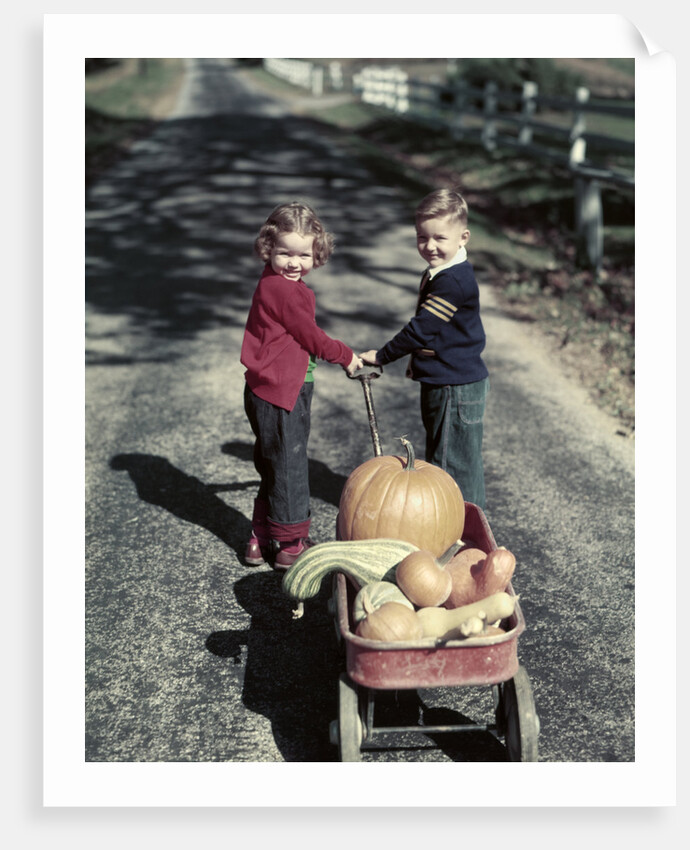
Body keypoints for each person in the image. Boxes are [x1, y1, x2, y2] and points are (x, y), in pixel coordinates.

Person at [240, 202, 363, 569]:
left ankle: (259, 538)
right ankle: (292, 543)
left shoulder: (269, 281)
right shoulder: (290, 293)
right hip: (285, 391)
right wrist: (346, 356)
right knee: (291, 466)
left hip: (261, 389)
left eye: (303, 255)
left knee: (272, 464)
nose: (294, 263)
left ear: (317, 252)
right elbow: (310, 337)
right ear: (268, 250)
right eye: (284, 254)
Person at [359, 188, 489, 508]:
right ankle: (453, 525)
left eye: (439, 238)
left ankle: (462, 536)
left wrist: (382, 355)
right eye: (421, 237)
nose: (429, 246)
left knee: (451, 466)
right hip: (442, 382)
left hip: (453, 386)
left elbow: (422, 330)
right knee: (443, 457)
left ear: (463, 237)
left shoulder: (452, 281)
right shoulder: (442, 273)